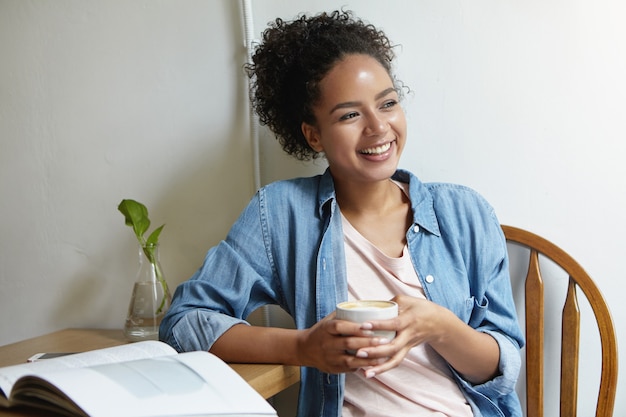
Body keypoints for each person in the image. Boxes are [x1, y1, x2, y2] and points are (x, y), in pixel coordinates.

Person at [160, 10, 524, 417]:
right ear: (313, 134)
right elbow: (184, 324)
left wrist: (439, 326)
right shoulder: (281, 214)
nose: (377, 127)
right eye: (350, 115)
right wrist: (304, 347)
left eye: (387, 104)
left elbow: (502, 368)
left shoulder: (465, 213)